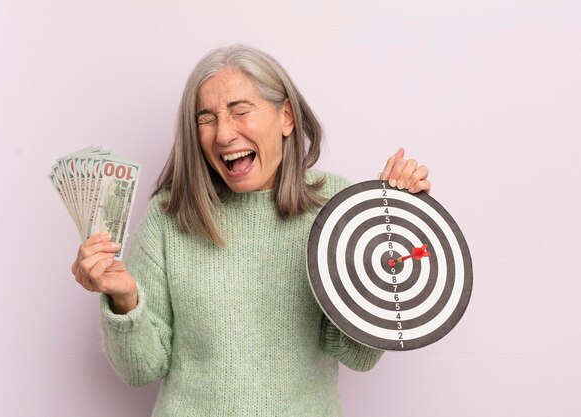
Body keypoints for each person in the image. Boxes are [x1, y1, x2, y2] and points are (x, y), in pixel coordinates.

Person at [71, 44, 431, 416]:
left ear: (287, 117)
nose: (223, 133)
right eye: (205, 118)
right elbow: (141, 370)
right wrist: (124, 299)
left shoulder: (336, 205)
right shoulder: (169, 216)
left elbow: (357, 355)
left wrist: (389, 230)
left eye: (240, 110)